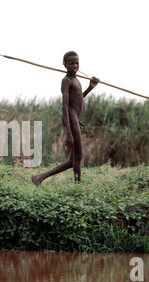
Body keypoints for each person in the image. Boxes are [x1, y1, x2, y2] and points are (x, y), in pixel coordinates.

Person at [31, 51, 99, 184]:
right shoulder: (66, 81)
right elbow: (65, 106)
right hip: (70, 117)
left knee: (72, 160)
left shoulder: (77, 80)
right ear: (65, 65)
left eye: (77, 63)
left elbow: (78, 100)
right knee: (78, 156)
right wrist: (68, 132)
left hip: (75, 118)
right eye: (71, 63)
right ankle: (78, 186)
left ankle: (39, 178)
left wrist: (90, 88)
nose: (75, 66)